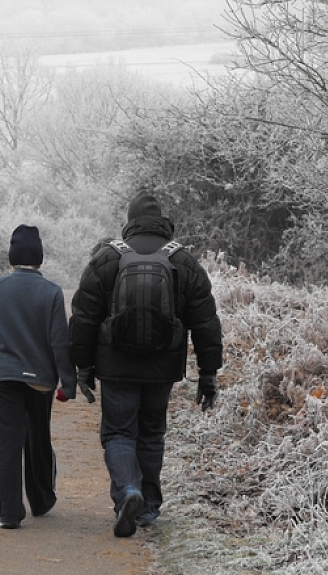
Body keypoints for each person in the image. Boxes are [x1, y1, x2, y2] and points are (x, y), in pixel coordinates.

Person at [69, 191, 223, 537]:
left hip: (115, 365)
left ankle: (128, 491)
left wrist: (82, 367)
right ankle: (148, 507)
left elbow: (83, 318)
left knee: (119, 431)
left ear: (130, 221)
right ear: (164, 222)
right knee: (151, 433)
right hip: (162, 367)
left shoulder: (108, 258)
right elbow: (206, 323)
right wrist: (208, 374)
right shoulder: (182, 261)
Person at [0, 224, 77, 529]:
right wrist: (67, 383)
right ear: (40, 260)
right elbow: (59, 341)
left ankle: (9, 513)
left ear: (12, 259)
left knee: (7, 441)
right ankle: (42, 499)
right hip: (40, 379)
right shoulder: (53, 292)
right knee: (38, 437)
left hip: (4, 377)